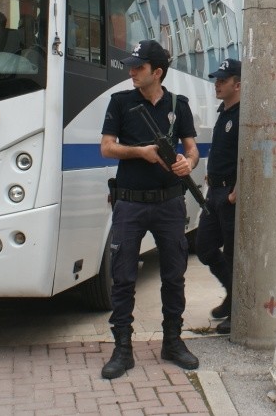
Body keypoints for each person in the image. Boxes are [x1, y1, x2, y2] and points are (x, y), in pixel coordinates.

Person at [99, 39, 200, 379]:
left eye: (138, 67)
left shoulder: (178, 105)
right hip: (130, 203)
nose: (131, 71)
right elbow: (107, 148)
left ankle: (173, 341)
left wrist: (189, 163)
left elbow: (191, 148)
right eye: (131, 66)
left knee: (174, 275)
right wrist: (139, 152)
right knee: (123, 276)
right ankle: (122, 349)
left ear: (156, 72)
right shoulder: (121, 102)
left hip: (170, 203)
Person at [197, 58, 241, 336]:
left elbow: (248, 157)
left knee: (235, 254)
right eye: (216, 79)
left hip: (229, 193)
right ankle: (232, 295)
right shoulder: (223, 113)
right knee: (204, 248)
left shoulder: (243, 115)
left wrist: (235, 194)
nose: (217, 84)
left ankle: (238, 309)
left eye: (222, 80)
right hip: (214, 192)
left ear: (238, 84)